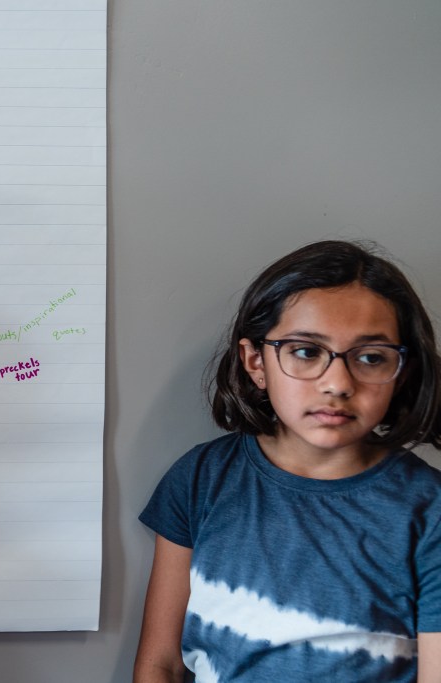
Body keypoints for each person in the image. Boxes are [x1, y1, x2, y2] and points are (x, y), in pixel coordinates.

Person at [133, 240, 441, 682]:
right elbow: (160, 664)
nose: (337, 383)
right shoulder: (201, 479)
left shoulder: (429, 508)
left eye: (371, 357)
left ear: (402, 371)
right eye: (306, 351)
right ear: (256, 362)